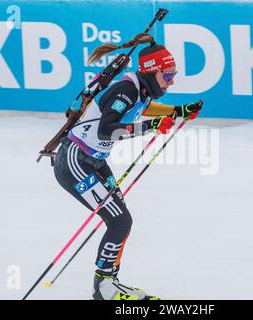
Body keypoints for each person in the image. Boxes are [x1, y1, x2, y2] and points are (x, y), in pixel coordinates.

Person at [53, 33, 203, 300]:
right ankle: (104, 289)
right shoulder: (127, 89)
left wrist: (176, 112)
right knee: (119, 221)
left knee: (121, 220)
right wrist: (152, 127)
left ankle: (109, 282)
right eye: (167, 76)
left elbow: (142, 108)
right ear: (151, 71)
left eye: (173, 74)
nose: (172, 81)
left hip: (94, 160)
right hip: (75, 160)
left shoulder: (141, 89)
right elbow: (106, 129)